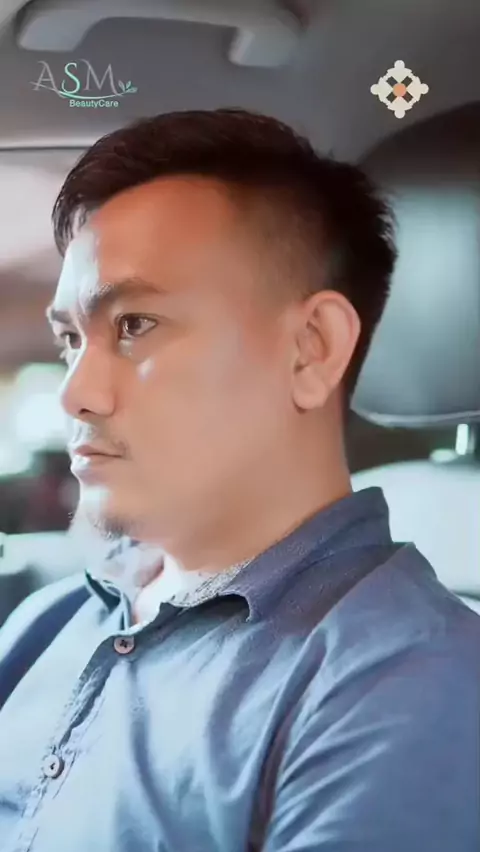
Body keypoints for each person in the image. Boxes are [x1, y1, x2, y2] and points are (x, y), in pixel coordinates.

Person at [0, 108, 478, 852]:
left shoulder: (406, 683)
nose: (74, 394)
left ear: (311, 349)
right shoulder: (51, 620)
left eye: (134, 325)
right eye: (70, 339)